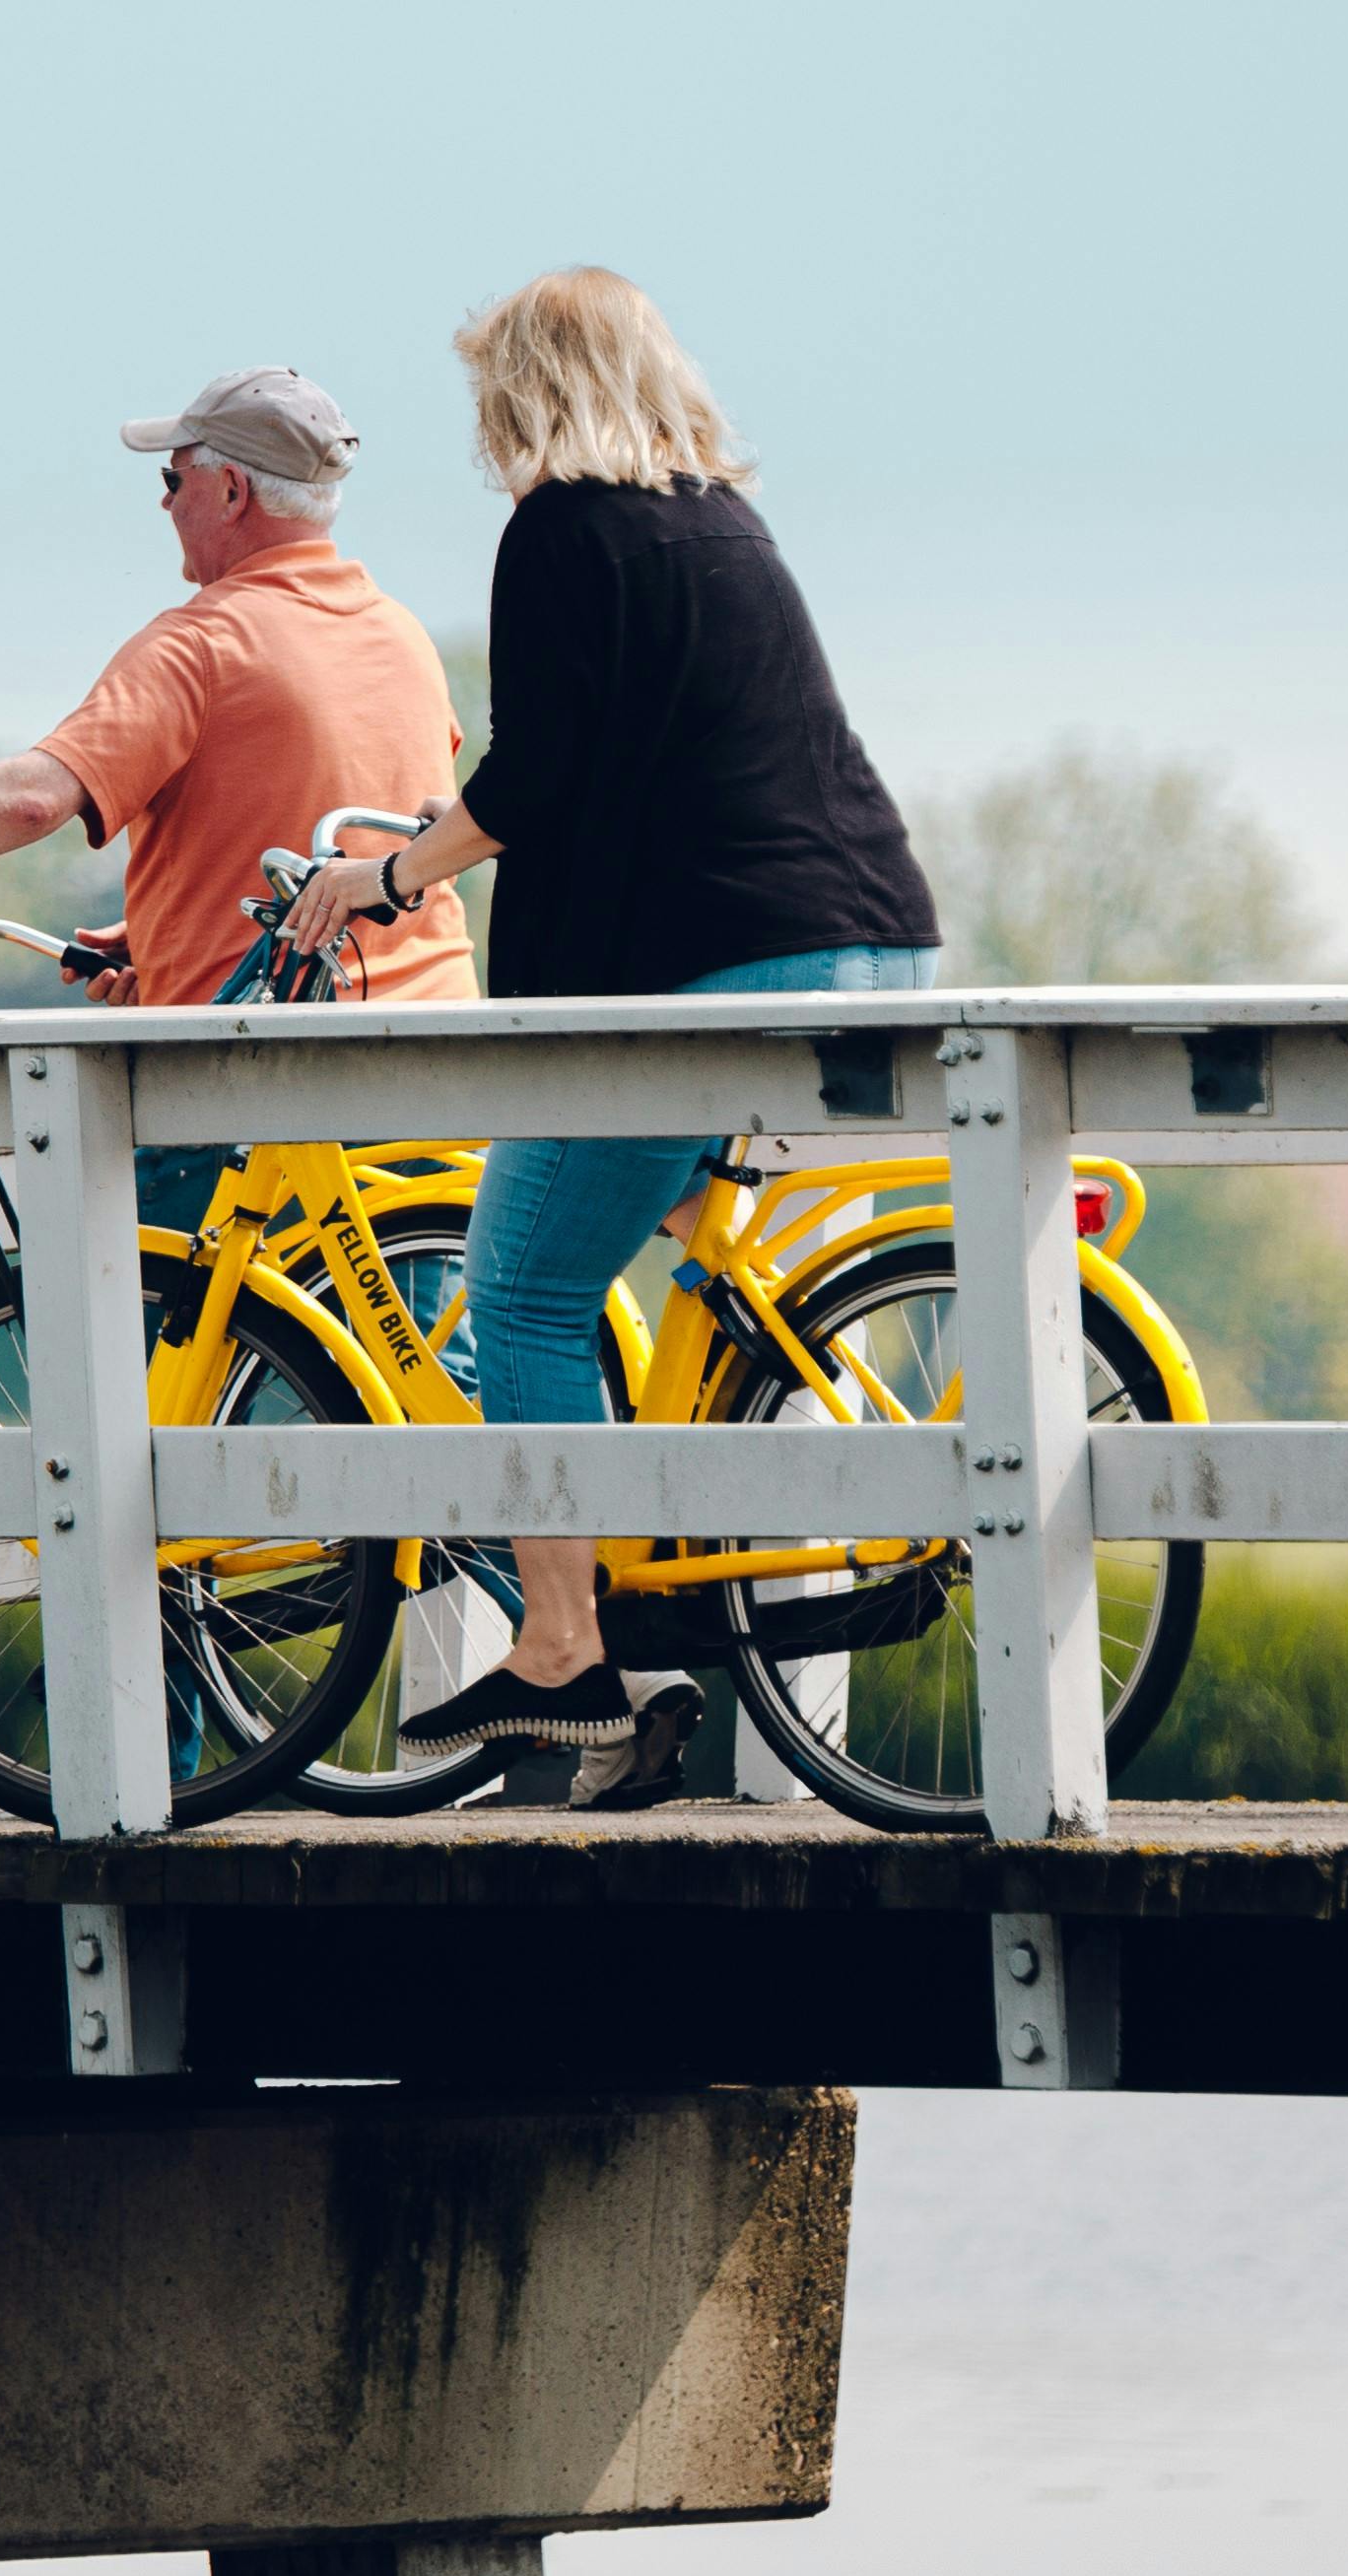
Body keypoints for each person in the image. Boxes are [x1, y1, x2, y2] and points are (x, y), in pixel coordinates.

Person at [276, 268, 943, 1801]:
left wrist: (385, 878)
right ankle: (655, 1567)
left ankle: (565, 1647)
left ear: (525, 388)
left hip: (721, 965)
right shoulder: (724, 520)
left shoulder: (563, 529)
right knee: (616, 1265)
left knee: (515, 1287)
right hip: (862, 937)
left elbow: (537, 776)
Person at [0, 366, 478, 1232]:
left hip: (253, 1099)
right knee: (416, 1366)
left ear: (232, 489)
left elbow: (31, 797)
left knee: (128, 1357)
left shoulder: (202, 643)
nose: (162, 503)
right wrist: (177, 930)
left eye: (173, 480)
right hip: (437, 1077)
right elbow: (358, 818)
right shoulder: (398, 635)